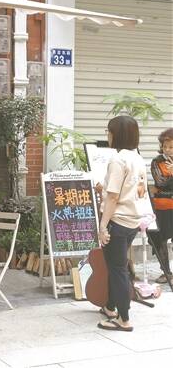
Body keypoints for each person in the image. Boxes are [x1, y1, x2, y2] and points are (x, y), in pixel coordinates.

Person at [97, 115, 149, 333]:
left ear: (116, 135)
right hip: (132, 221)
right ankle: (110, 307)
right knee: (116, 265)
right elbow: (134, 190)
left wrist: (102, 226)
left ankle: (124, 319)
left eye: (109, 132)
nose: (108, 136)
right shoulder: (137, 158)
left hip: (116, 221)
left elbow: (113, 197)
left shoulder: (118, 160)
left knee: (117, 269)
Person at [148, 128, 173, 284]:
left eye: (171, 147)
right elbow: (160, 182)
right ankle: (166, 273)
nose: (167, 150)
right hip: (162, 206)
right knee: (160, 239)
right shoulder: (157, 162)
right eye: (165, 146)